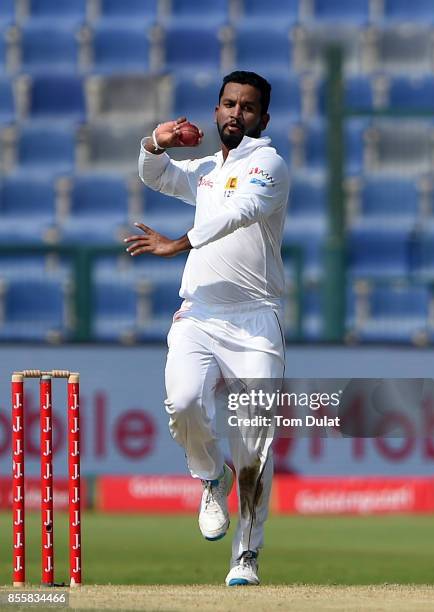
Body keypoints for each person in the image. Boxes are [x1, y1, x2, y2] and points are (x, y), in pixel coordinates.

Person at [124, 71, 289, 586]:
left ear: (262, 118)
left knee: (254, 443)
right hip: (198, 312)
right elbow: (156, 175)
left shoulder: (269, 164)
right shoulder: (204, 170)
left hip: (255, 318)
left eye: (247, 107)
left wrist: (180, 242)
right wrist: (156, 142)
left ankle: (246, 557)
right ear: (216, 111)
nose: (235, 114)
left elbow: (240, 213)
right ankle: (209, 475)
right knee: (185, 402)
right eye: (228, 105)